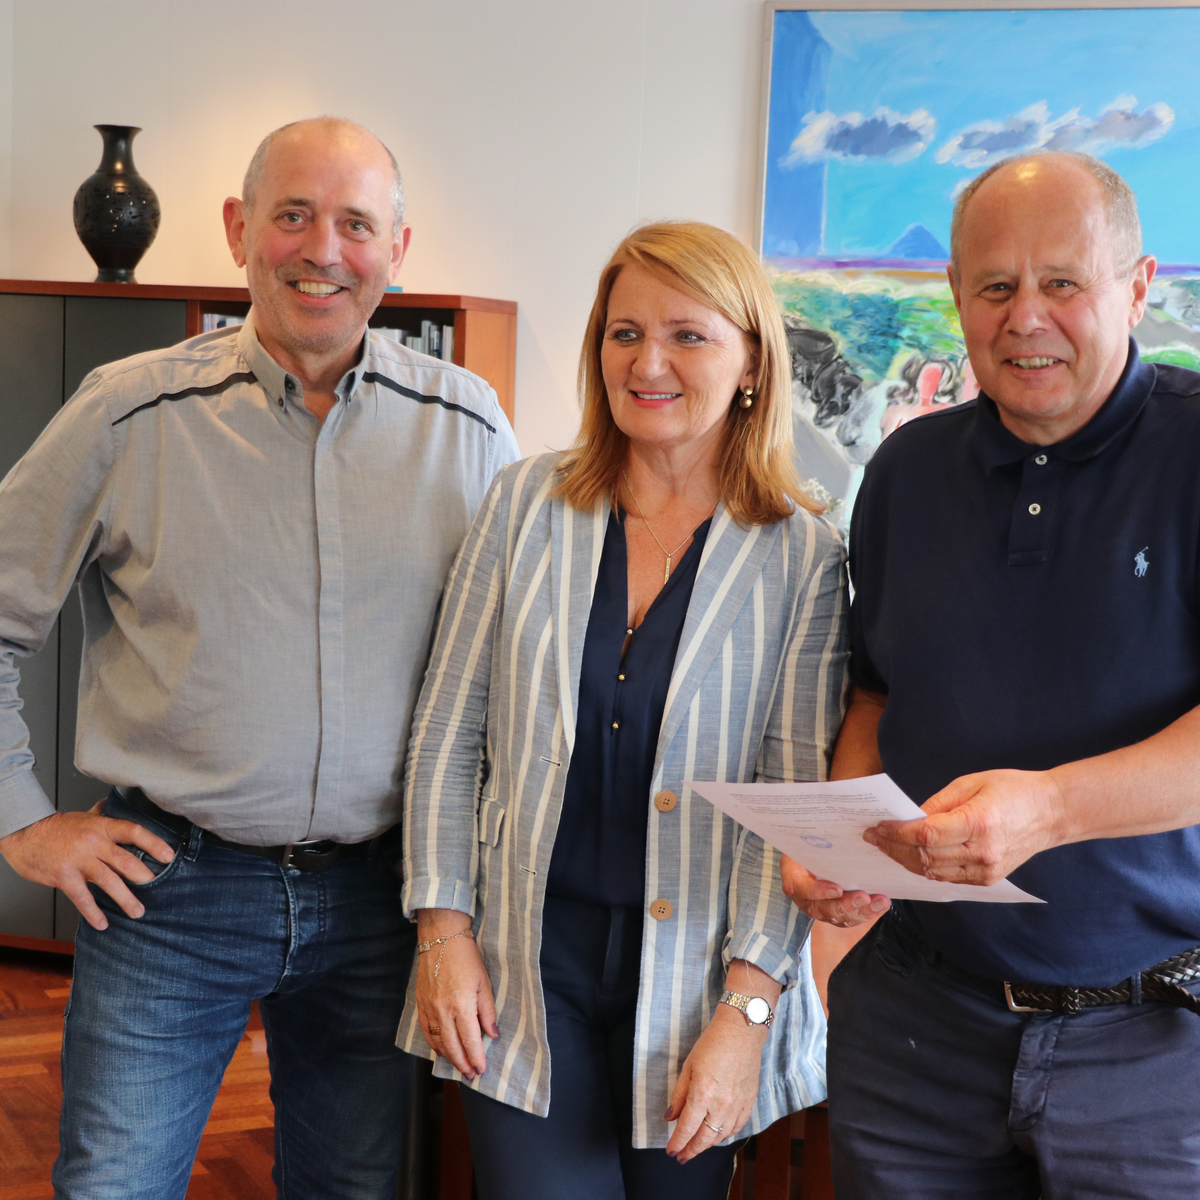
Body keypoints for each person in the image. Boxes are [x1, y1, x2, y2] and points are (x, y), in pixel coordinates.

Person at [0, 116, 519, 1200]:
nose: (322, 250)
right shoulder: (129, 412)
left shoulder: (467, 427)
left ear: (397, 250)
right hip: (168, 893)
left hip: (384, 901)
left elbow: (513, 660)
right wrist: (21, 820)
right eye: (293, 215)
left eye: (356, 225)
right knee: (113, 1185)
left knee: (351, 1189)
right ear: (240, 230)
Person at [398, 220, 847, 1200]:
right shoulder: (524, 502)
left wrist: (746, 1017)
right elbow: (446, 734)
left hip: (700, 984)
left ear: (751, 364)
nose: (648, 363)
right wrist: (443, 933)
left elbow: (793, 805)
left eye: (688, 336)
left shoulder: (803, 556)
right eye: (625, 332)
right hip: (520, 965)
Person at [784, 150, 1200, 1199]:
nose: (1026, 318)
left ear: (1138, 287)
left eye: (1062, 282)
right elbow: (877, 692)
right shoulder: (906, 470)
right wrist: (844, 839)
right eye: (996, 286)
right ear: (956, 293)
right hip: (917, 1029)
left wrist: (1049, 809)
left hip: (1157, 1049)